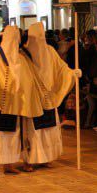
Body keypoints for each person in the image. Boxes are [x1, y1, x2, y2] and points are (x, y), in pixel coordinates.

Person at [0, 26, 44, 177]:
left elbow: (29, 79)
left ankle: (9, 164)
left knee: (12, 135)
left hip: (15, 103)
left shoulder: (21, 58)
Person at [23, 23, 77, 170]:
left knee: (47, 130)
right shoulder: (23, 53)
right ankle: (29, 159)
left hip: (48, 96)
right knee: (32, 131)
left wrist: (72, 73)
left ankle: (46, 157)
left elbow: (61, 69)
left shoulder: (50, 51)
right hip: (31, 98)